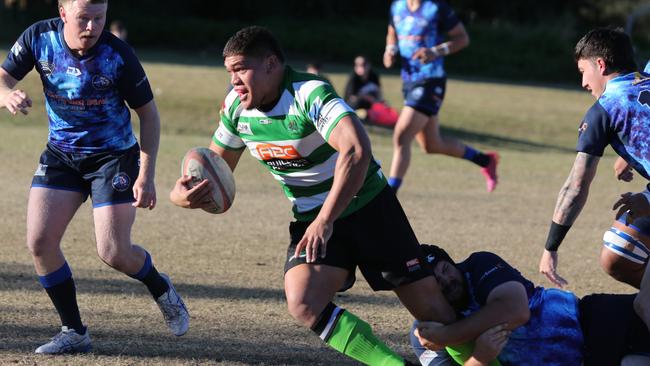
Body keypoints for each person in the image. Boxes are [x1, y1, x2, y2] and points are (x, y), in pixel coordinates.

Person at [169, 26, 458, 366]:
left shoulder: (308, 92)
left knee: (436, 316)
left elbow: (356, 150)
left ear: (270, 64)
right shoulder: (236, 108)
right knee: (304, 302)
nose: (233, 79)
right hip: (311, 217)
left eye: (241, 69)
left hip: (369, 208)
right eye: (229, 71)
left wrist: (326, 219)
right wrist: (183, 195)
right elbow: (217, 169)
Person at [0, 0, 189, 354]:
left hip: (113, 158)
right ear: (63, 13)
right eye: (84, 18)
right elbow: (2, 78)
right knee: (40, 243)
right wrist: (7, 94)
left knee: (114, 252)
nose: (91, 27)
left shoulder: (118, 55)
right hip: (61, 155)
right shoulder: (38, 38)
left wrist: (146, 175)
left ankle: (160, 287)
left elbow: (148, 115)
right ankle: (74, 331)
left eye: (99, 18)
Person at [537, 27, 650, 331]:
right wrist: (629, 153)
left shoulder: (604, 111)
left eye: (583, 71)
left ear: (600, 65)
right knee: (618, 248)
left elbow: (576, 187)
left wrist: (551, 246)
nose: (583, 82)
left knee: (647, 305)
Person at [411, 245, 650, 366]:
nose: (446, 281)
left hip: (589, 322)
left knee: (646, 305)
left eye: (445, 270)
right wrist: (479, 359)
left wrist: (449, 334)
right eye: (435, 283)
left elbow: (516, 310)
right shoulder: (424, 334)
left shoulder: (478, 265)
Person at [383, 0, 499, 193]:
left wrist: (436, 51)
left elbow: (462, 38)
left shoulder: (436, 8)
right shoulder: (397, 7)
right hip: (409, 81)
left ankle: (388, 197)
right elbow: (391, 34)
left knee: (402, 136)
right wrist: (390, 51)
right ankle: (486, 160)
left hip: (430, 81)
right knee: (432, 145)